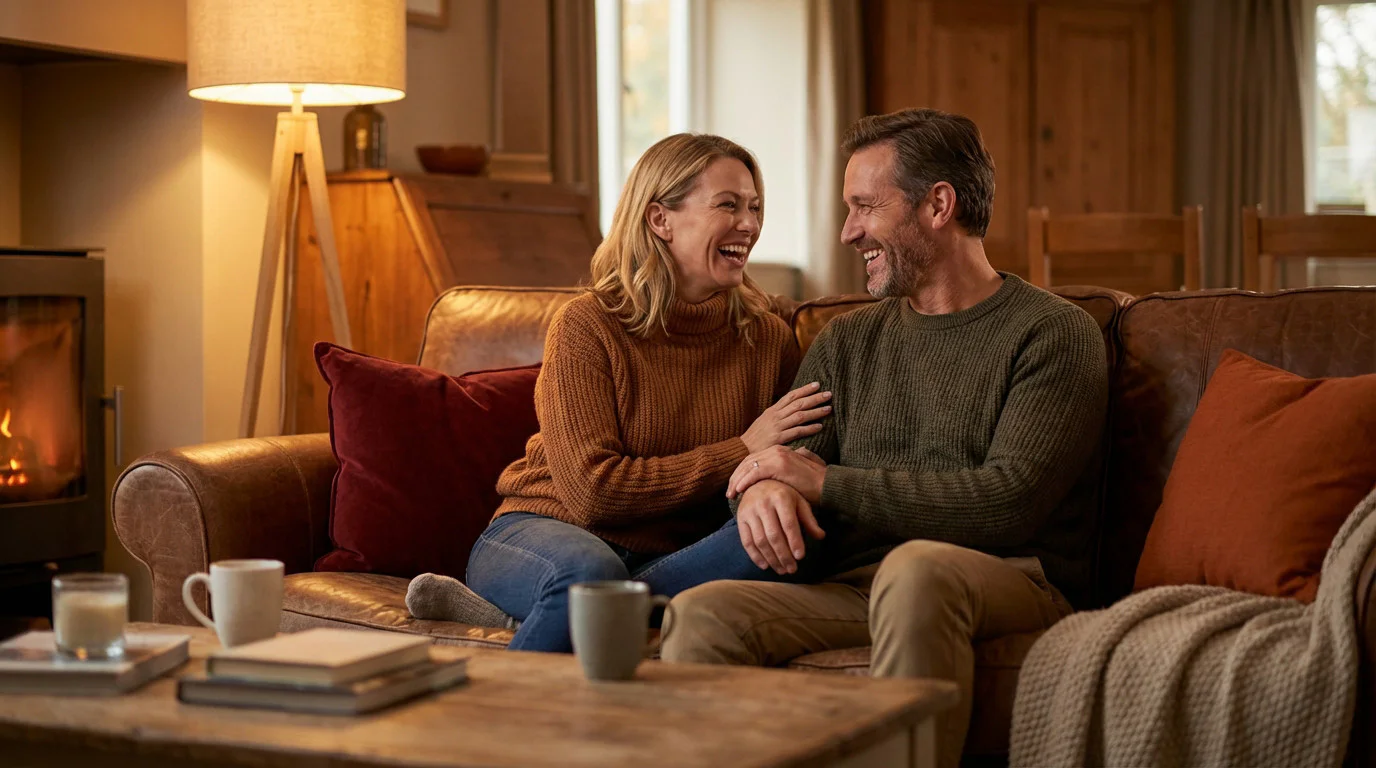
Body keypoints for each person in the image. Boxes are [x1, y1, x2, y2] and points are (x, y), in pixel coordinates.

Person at [659, 109, 1109, 768]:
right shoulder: (847, 340)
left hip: (1012, 580)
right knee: (704, 613)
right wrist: (761, 494)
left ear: (938, 205)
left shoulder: (1052, 334)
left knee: (916, 570)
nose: (848, 232)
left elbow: (1008, 502)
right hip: (857, 588)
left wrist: (822, 482)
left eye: (865, 207)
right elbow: (785, 467)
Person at [408, 133, 832, 653]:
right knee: (592, 578)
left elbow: (786, 464)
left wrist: (769, 483)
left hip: (672, 556)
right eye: (728, 205)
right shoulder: (588, 326)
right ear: (660, 219)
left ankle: (549, 615)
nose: (749, 224)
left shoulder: (767, 338)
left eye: (755, 207)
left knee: (794, 538)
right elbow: (592, 493)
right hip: (546, 531)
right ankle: (555, 645)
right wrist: (741, 450)